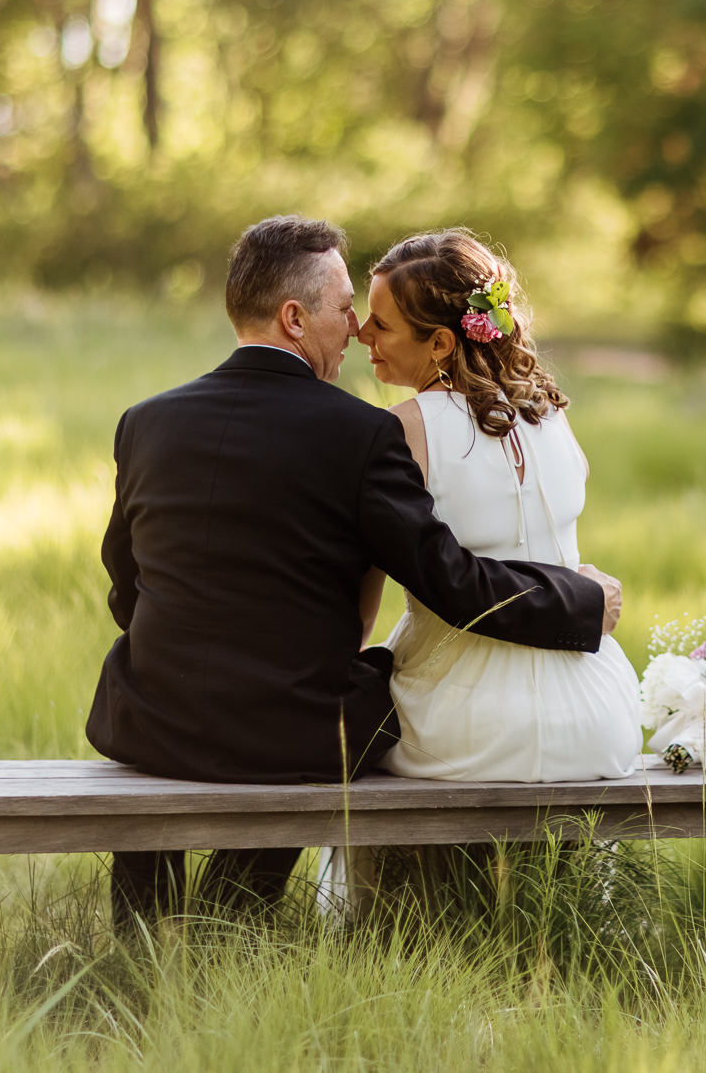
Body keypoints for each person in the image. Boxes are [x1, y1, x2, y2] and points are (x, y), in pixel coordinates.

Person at [83, 215, 623, 928]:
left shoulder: (145, 420)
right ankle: (231, 918)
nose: (357, 330)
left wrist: (178, 646)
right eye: (345, 311)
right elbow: (449, 579)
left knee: (197, 725)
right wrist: (580, 599)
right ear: (294, 317)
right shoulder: (362, 433)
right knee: (337, 719)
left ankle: (141, 931)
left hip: (150, 717)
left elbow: (124, 579)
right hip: (294, 730)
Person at [354, 228, 643, 781]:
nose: (360, 332)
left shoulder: (400, 430)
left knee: (364, 734)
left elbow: (365, 598)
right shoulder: (552, 414)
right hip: (593, 712)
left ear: (440, 343)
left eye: (381, 324)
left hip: (459, 719)